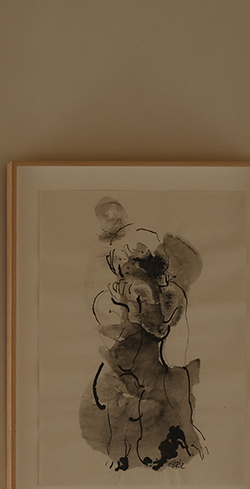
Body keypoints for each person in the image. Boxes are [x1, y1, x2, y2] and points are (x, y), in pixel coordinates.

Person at [79, 197, 208, 471]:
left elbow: (158, 324)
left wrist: (139, 302)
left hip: (142, 362)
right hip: (134, 363)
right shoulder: (141, 287)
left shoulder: (165, 296)